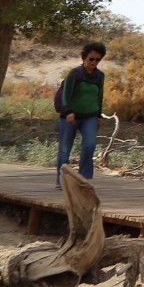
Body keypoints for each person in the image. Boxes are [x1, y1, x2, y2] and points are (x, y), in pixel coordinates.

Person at [54, 41, 107, 184]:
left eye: (98, 59)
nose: (94, 62)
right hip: (70, 117)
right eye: (91, 59)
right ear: (84, 58)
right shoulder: (75, 73)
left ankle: (83, 179)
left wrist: (98, 115)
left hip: (89, 117)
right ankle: (62, 181)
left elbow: (99, 96)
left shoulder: (100, 76)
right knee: (65, 150)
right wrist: (69, 111)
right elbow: (66, 94)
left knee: (89, 145)